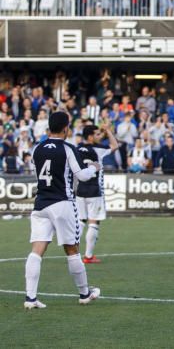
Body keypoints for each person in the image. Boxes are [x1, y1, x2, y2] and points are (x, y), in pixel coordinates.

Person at [24, 111, 101, 309]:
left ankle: (30, 298)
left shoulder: (37, 149)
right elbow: (82, 176)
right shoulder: (68, 148)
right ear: (66, 128)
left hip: (41, 203)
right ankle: (84, 293)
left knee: (37, 250)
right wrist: (94, 167)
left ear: (49, 128)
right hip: (62, 203)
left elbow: (37, 175)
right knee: (72, 249)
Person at [75, 123, 120, 264]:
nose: (99, 136)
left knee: (80, 221)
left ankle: (73, 253)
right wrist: (108, 131)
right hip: (94, 189)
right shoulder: (98, 149)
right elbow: (115, 146)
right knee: (94, 222)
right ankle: (88, 256)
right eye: (97, 134)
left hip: (80, 189)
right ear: (90, 136)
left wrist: (102, 132)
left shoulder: (77, 149)